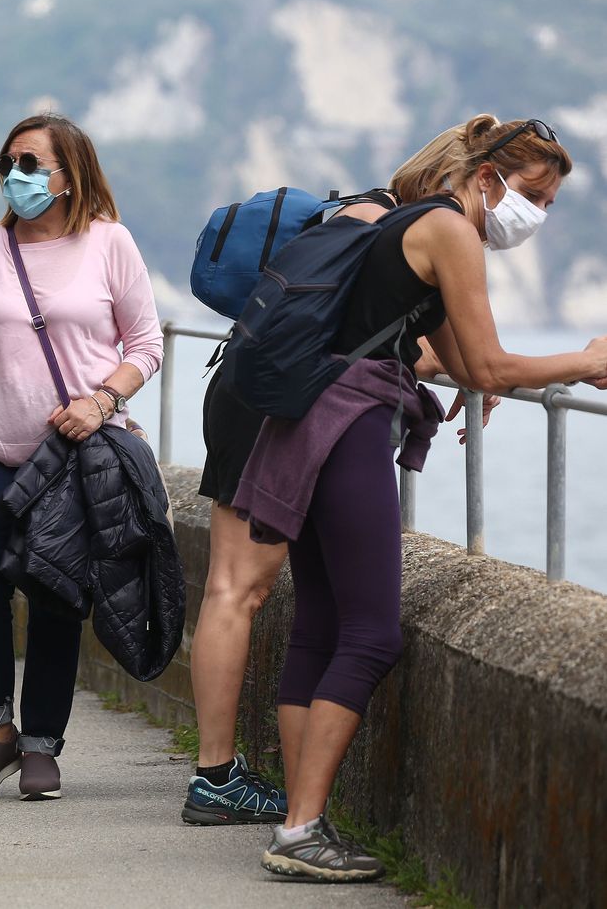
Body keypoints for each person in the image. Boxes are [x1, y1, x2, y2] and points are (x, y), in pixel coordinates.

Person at [232, 117, 607, 882]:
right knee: (371, 634)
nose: (534, 214)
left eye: (549, 203)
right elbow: (495, 367)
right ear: (486, 178)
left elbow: (471, 365)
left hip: (307, 419)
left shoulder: (410, 220)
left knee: (321, 623)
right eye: (532, 195)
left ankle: (300, 818)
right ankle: (303, 830)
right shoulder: (451, 233)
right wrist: (592, 359)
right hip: (351, 425)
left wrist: (504, 377)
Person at [0, 112, 164, 802]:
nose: (16, 177)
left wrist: (101, 402)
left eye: (30, 164)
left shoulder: (111, 244)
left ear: (68, 174)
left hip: (76, 453)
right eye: (9, 164)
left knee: (56, 592)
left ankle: (43, 742)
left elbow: (146, 345)